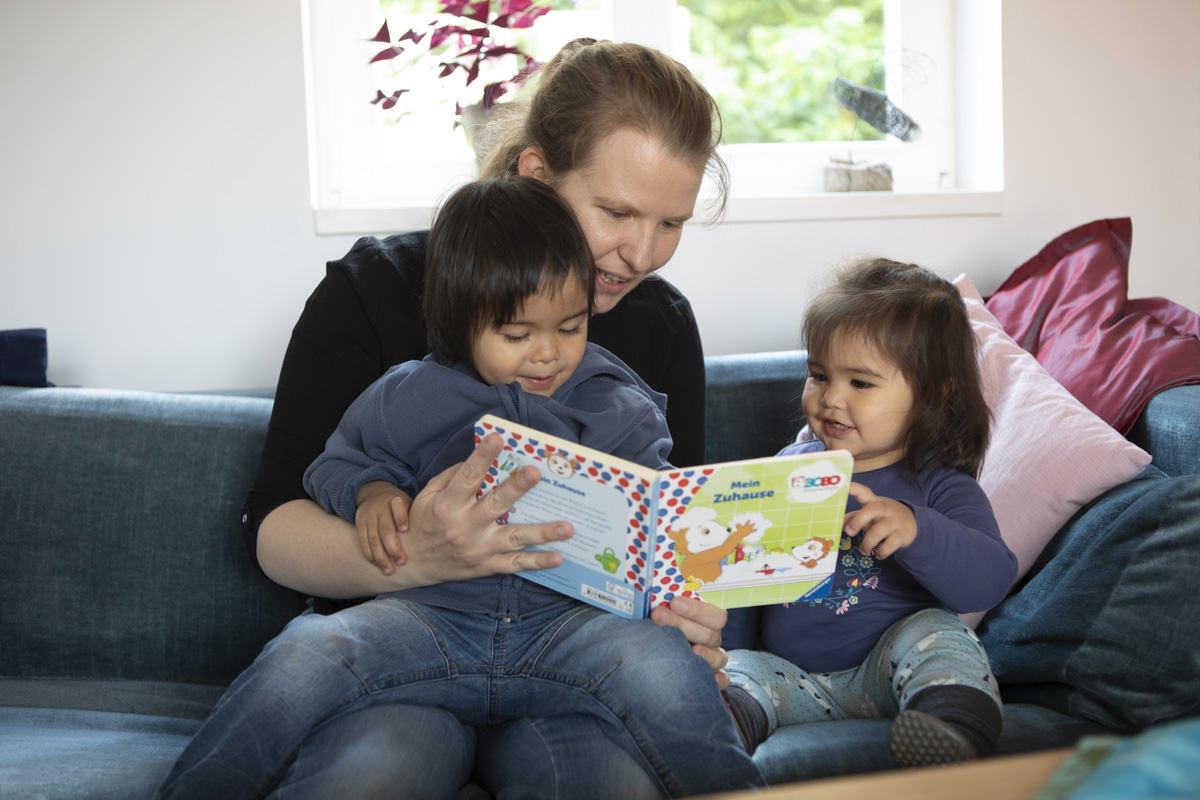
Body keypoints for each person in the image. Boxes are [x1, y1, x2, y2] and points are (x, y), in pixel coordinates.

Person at [166, 38, 748, 800]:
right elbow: (276, 525)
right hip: (410, 641)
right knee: (377, 774)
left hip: (570, 654)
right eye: (616, 212)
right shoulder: (373, 291)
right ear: (536, 172)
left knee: (607, 782)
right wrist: (418, 552)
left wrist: (685, 614)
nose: (640, 254)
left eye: (670, 223)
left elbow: (670, 524)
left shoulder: (657, 331)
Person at [721, 258, 1019, 768]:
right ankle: (717, 728)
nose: (831, 398)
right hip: (789, 679)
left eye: (860, 383)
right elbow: (746, 589)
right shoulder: (788, 471)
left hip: (889, 674)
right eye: (818, 374)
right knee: (740, 672)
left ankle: (951, 723)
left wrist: (918, 530)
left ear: (932, 393)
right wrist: (720, 658)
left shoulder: (938, 482)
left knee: (938, 634)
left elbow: (989, 581)